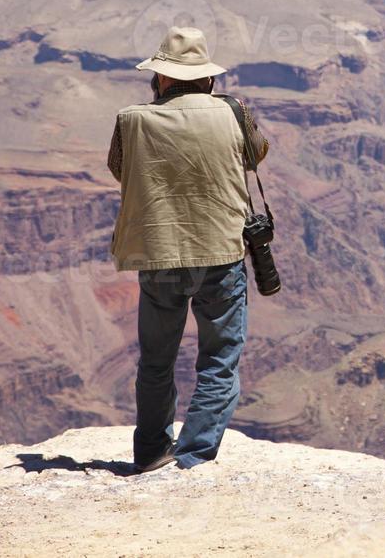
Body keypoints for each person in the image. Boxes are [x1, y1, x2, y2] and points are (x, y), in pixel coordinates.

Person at [107, 25, 269, 473]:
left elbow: (120, 169)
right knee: (219, 360)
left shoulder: (131, 119)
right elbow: (257, 155)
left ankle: (152, 452)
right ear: (209, 79)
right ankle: (194, 456)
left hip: (159, 255)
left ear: (159, 79)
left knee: (157, 360)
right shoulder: (234, 113)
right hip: (221, 253)